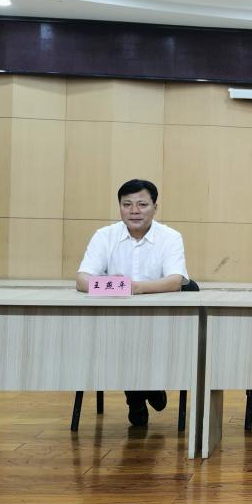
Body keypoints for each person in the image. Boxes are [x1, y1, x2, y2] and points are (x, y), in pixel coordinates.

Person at [76, 178, 190, 427]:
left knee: (140, 339)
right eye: (127, 204)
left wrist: (134, 287)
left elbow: (175, 281)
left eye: (142, 204)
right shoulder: (104, 236)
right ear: (120, 207)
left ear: (155, 207)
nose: (134, 211)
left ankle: (140, 393)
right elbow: (82, 279)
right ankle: (143, 392)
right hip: (116, 321)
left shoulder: (170, 237)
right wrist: (113, 285)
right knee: (123, 338)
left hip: (160, 321)